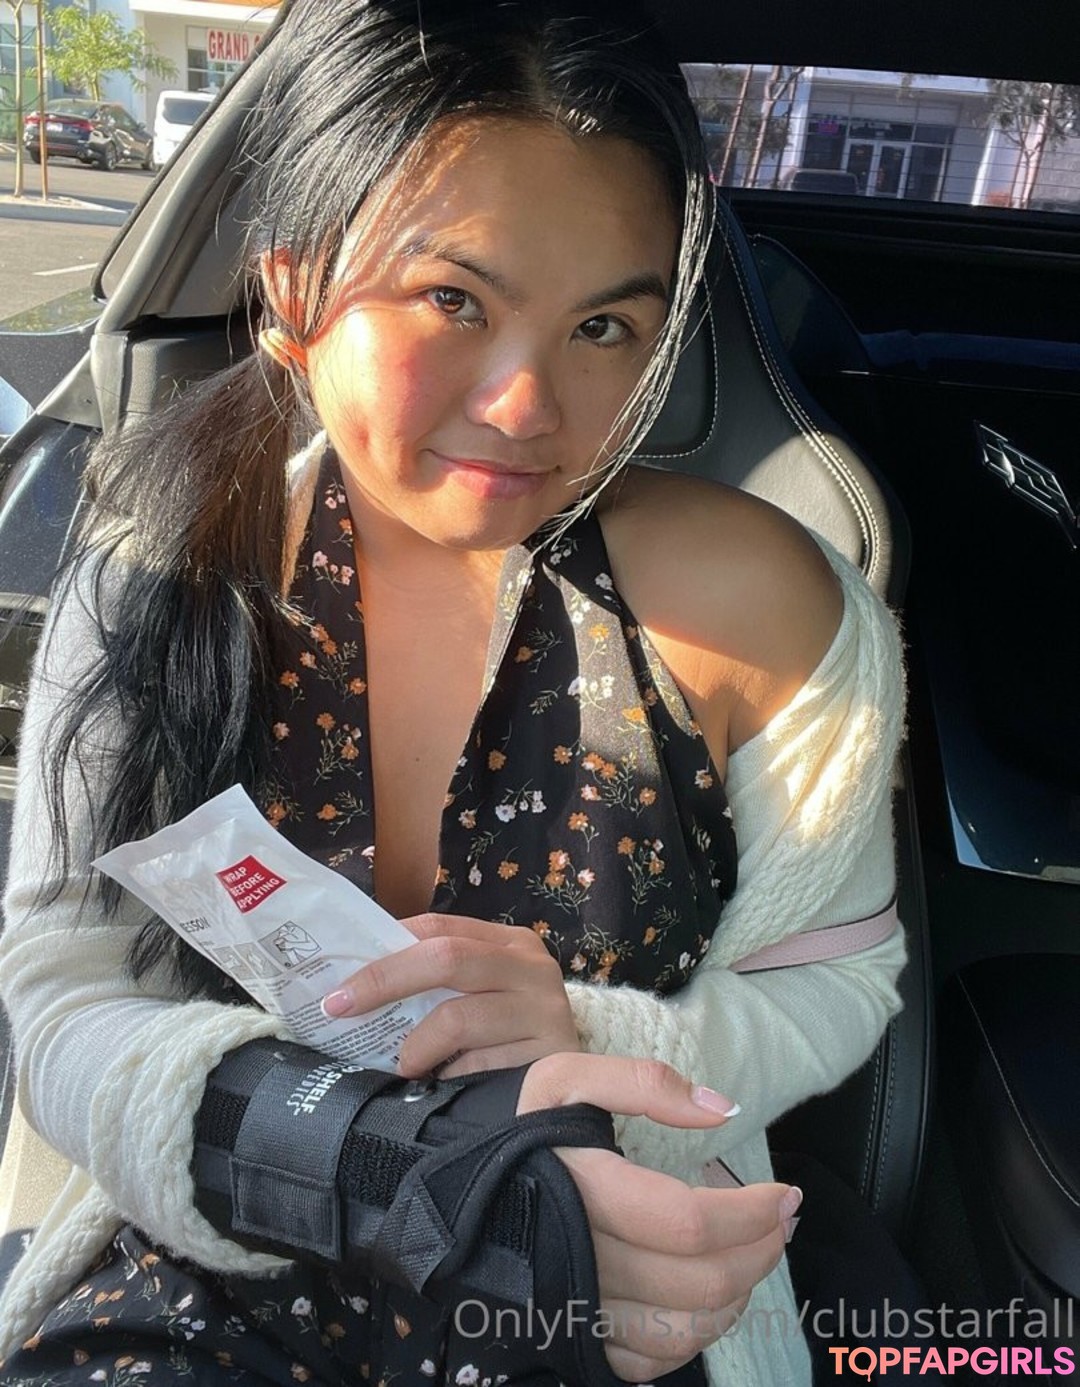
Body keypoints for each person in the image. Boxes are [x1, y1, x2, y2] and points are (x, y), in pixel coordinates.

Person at [0, 0, 907, 1383]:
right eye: (454, 301)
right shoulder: (164, 571)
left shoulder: (759, 610)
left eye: (604, 325)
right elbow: (64, 988)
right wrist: (394, 1168)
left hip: (599, 1277)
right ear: (294, 292)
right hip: (212, 1248)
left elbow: (836, 981)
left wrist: (594, 1036)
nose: (530, 404)